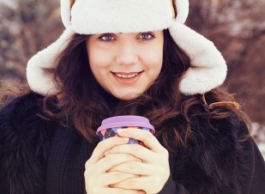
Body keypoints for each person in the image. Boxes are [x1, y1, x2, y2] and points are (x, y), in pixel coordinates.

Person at [0, 0, 265, 193]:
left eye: (146, 35)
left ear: (167, 41)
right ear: (83, 45)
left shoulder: (219, 131)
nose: (127, 58)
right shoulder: (22, 130)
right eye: (106, 36)